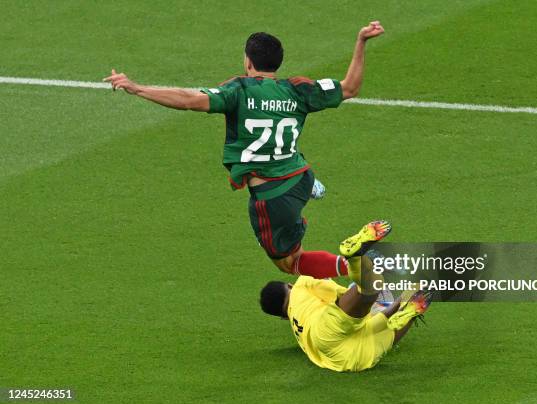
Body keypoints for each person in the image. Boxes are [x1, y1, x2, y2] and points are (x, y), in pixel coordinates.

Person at [103, 22, 385, 279]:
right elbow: (350, 88)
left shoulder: (238, 90)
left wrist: (137, 88)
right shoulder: (297, 89)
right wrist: (361, 41)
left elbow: (189, 100)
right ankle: (311, 186)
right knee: (288, 159)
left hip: (272, 196)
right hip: (300, 176)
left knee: (290, 263)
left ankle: (360, 267)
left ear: (248, 61)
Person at [259, 221, 433, 372]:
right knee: (368, 291)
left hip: (341, 358)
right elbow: (347, 297)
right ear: (289, 285)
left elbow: (366, 324)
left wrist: (390, 305)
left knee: (376, 333)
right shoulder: (302, 283)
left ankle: (407, 307)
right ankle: (358, 260)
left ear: (283, 317)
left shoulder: (297, 326)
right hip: (325, 327)